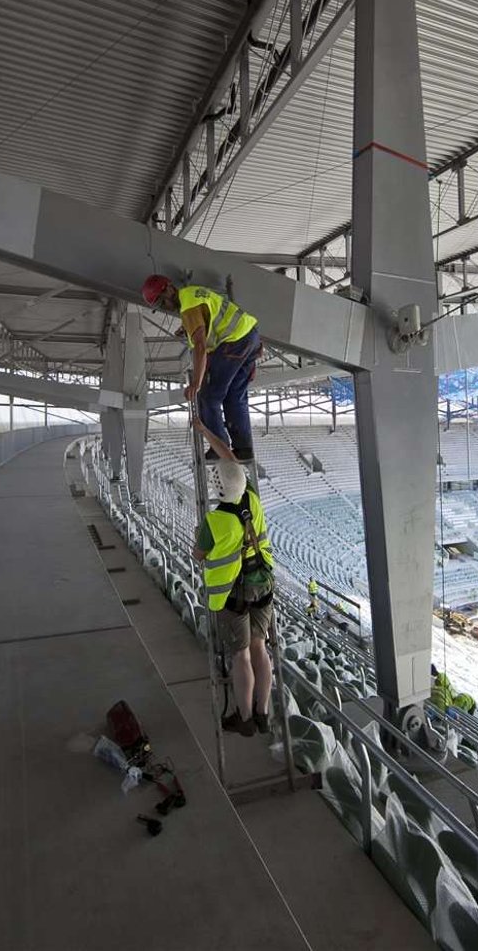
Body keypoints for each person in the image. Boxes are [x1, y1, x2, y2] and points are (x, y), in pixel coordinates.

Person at [191, 418, 275, 737]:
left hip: (233, 594)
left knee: (240, 655)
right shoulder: (252, 498)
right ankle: (263, 712)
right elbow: (229, 457)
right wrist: (207, 432)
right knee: (260, 647)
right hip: (263, 583)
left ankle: (244, 718)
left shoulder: (214, 520)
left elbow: (198, 556)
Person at [142, 276, 260, 462]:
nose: (164, 306)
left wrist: (196, 384)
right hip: (250, 336)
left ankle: (218, 447)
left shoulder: (188, 307)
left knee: (207, 396)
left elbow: (200, 346)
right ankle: (243, 448)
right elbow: (208, 316)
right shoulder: (192, 294)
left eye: (161, 300)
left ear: (169, 289)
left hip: (234, 343)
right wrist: (186, 327)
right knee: (234, 396)